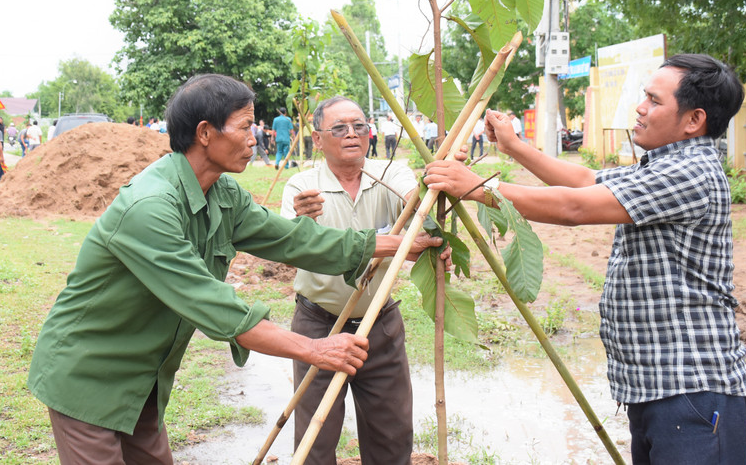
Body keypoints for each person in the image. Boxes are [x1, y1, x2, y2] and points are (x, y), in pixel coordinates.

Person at [26, 74, 442, 464]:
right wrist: (313, 348)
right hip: (89, 373)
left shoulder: (222, 193)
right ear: (206, 133)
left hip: (143, 381)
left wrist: (395, 244)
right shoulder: (150, 208)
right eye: (244, 127)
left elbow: (294, 239)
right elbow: (209, 302)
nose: (253, 139)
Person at [424, 54, 746, 465]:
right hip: (662, 388)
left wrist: (477, 187)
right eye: (644, 97)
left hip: (692, 392)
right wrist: (513, 146)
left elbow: (575, 208)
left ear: (694, 120)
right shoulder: (668, 164)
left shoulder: (690, 172)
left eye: (654, 100)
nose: (640, 107)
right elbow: (585, 180)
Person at [281, 97, 418, 465]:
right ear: (318, 138)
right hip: (318, 326)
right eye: (339, 128)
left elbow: (414, 198)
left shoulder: (389, 174)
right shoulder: (302, 187)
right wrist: (302, 221)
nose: (352, 134)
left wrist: (426, 199)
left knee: (392, 435)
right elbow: (292, 246)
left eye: (359, 126)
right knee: (315, 440)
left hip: (379, 325)